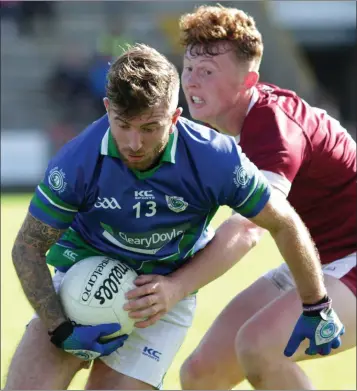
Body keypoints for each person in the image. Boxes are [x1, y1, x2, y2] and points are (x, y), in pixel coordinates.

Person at [5, 44, 344, 391]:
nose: (135, 143)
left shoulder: (214, 158)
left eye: (150, 127)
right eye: (123, 125)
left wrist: (316, 304)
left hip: (162, 301)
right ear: (107, 109)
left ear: (175, 116)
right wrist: (59, 326)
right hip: (79, 284)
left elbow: (283, 222)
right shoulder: (77, 162)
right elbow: (27, 248)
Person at [178, 5, 356, 390]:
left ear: (248, 81)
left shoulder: (273, 125)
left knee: (260, 347)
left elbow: (249, 228)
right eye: (189, 69)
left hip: (350, 258)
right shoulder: (220, 129)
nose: (192, 82)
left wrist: (175, 287)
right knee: (200, 373)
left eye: (207, 73)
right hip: (315, 261)